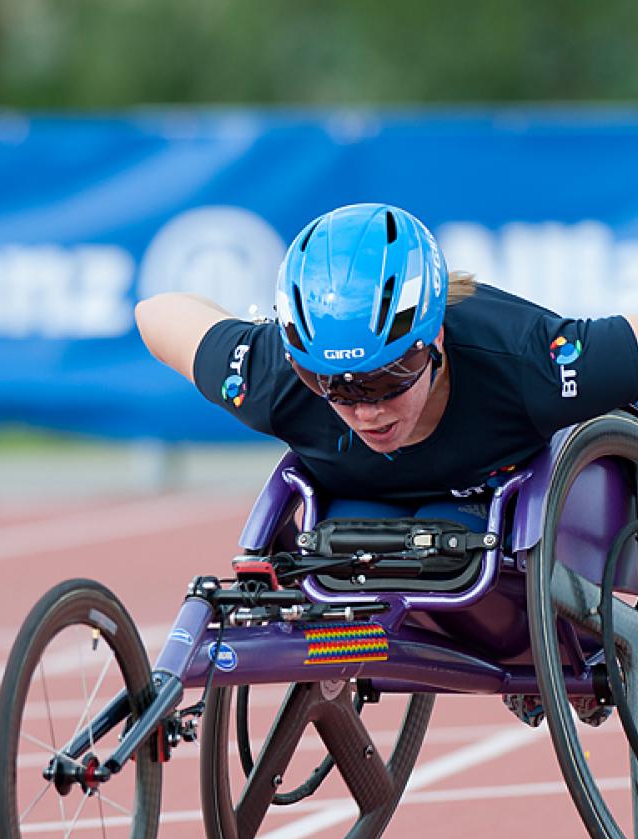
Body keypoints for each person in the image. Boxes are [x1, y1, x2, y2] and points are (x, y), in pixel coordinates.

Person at [135, 202, 638, 725]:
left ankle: (555, 642)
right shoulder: (276, 380)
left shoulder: (530, 365)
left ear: (434, 341)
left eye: (387, 378)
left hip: (495, 519)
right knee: (342, 546)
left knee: (457, 551)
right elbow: (155, 311)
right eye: (333, 386)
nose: (366, 409)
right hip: (364, 513)